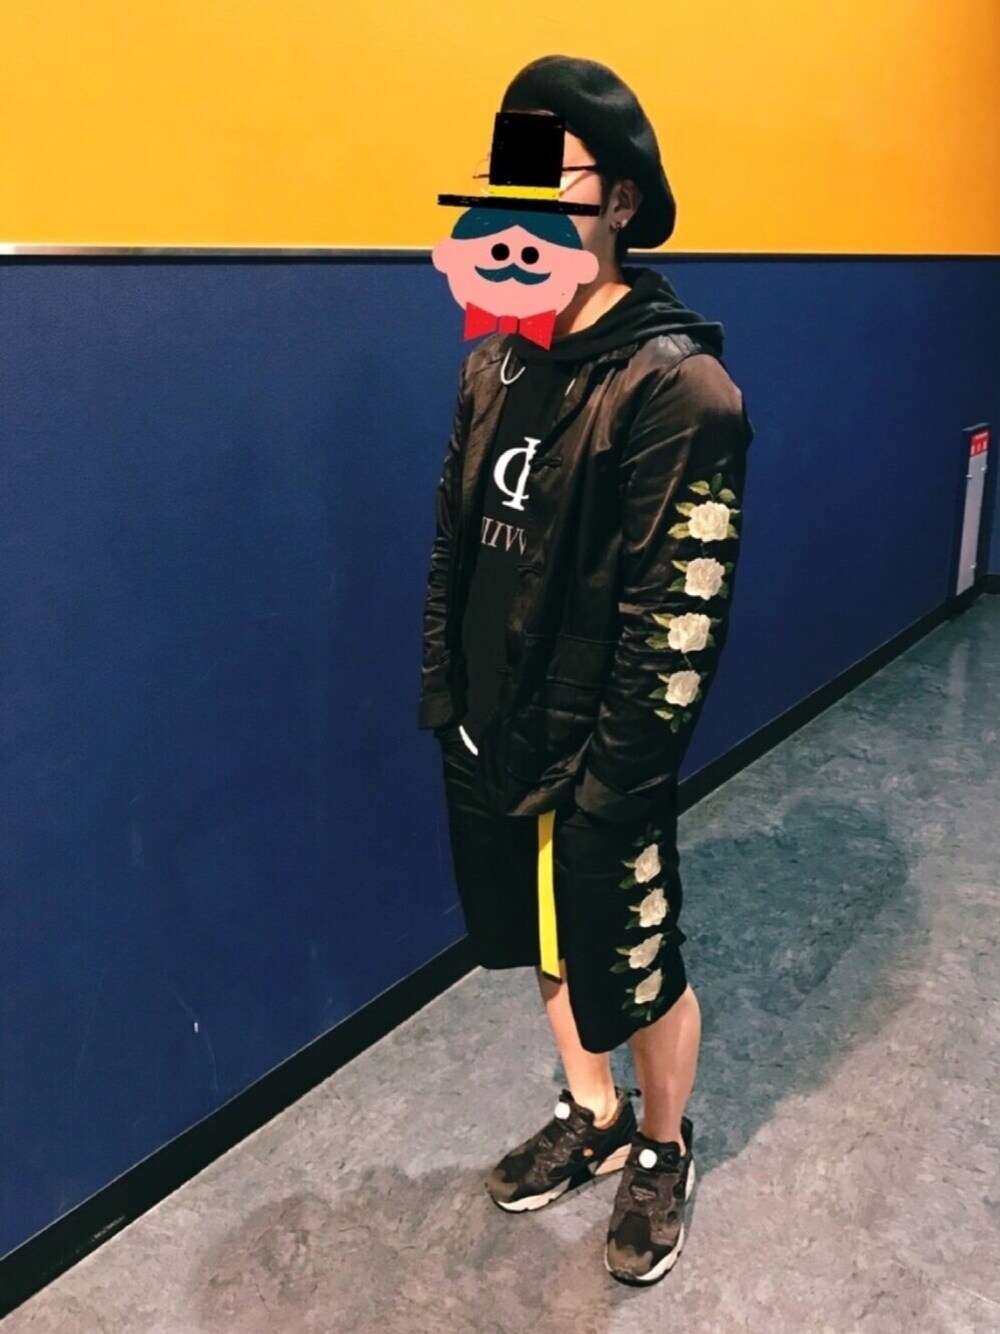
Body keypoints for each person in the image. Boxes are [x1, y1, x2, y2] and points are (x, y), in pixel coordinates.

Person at [418, 54, 754, 1286]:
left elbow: (679, 617)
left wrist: (617, 780)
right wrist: (444, 697)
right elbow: (454, 539)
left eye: (553, 178)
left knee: (635, 957)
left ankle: (661, 1143)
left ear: (618, 198)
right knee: (544, 940)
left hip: (602, 747)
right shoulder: (494, 358)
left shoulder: (680, 387)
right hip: (492, 727)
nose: (522, 204)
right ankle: (593, 1109)